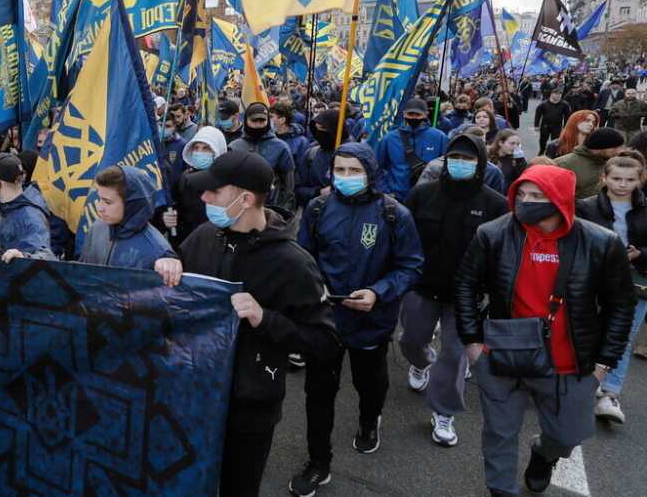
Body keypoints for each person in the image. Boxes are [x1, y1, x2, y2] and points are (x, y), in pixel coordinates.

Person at [156, 149, 337, 497]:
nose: (204, 196)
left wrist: (264, 318)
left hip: (249, 410)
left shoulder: (294, 264)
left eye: (214, 191)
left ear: (246, 198)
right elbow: (174, 271)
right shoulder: (206, 235)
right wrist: (165, 260)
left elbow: (324, 343)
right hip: (196, 396)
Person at [455, 165, 634, 496]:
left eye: (536, 196)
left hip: (570, 366)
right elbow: (466, 285)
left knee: (568, 435)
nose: (525, 202)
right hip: (501, 358)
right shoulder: (492, 234)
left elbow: (621, 306)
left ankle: (544, 454)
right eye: (521, 194)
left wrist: (602, 365)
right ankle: (500, 490)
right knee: (499, 433)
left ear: (561, 199)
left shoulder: (601, 244)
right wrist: (473, 346)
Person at [290, 142, 422, 497]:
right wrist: (312, 295)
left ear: (370, 172)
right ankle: (319, 462)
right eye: (340, 170)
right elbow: (302, 261)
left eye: (354, 170)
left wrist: (378, 292)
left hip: (371, 320)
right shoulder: (317, 209)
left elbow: (411, 266)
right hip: (326, 321)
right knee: (319, 393)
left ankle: (369, 419)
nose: (346, 177)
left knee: (370, 381)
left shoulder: (394, 214)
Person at [400, 134, 506, 448]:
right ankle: (420, 362)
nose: (460, 164)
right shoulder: (422, 195)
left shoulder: (495, 204)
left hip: (467, 295)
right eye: (455, 157)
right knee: (411, 340)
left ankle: (444, 410)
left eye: (468, 159)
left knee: (455, 355)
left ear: (481, 164)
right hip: (422, 286)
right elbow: (404, 238)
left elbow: (499, 252)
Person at [576, 153, 647, 424]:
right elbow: (576, 239)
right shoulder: (587, 207)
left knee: (624, 336)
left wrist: (639, 254)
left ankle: (609, 393)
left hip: (635, 280)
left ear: (640, 180)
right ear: (604, 178)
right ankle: (582, 382)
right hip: (595, 276)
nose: (622, 184)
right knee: (586, 329)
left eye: (630, 179)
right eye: (616, 178)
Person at [78, 165, 174, 269]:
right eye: (100, 199)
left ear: (131, 204)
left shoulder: (156, 251)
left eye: (108, 202)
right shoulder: (97, 227)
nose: (100, 207)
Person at [165, 126, 228, 245]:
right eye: (196, 148)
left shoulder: (227, 179)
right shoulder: (185, 177)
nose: (199, 152)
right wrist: (168, 219)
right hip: (189, 242)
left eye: (206, 148)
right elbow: (177, 207)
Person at [376, 98, 447, 201]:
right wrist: (386, 191)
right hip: (397, 198)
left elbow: (445, 167)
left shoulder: (439, 137)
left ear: (426, 114)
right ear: (404, 114)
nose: (414, 117)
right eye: (410, 114)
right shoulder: (389, 138)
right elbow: (377, 167)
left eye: (418, 115)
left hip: (428, 198)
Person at [230, 102, 296, 211]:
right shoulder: (234, 147)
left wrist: (282, 210)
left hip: (272, 209)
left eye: (262, 121)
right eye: (254, 121)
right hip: (240, 208)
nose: (258, 124)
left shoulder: (281, 147)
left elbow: (289, 185)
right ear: (246, 121)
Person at [556, 127, 626, 200]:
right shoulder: (564, 164)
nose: (619, 151)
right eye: (615, 148)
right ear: (600, 147)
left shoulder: (611, 163)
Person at [296, 109, 341, 210]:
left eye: (324, 129)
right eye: (317, 129)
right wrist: (318, 192)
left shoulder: (354, 155)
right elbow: (298, 189)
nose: (320, 133)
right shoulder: (311, 154)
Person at [271, 100, 310, 169]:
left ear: (282, 120)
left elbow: (302, 170)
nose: (268, 120)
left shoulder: (301, 142)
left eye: (271, 117)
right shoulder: (270, 138)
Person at [534, 90, 572, 156]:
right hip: (545, 125)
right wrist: (536, 125)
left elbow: (567, 116)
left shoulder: (565, 104)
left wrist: (566, 126)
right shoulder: (543, 104)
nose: (558, 96)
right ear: (551, 94)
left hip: (557, 125)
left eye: (560, 94)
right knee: (543, 140)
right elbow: (538, 115)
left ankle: (553, 153)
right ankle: (542, 150)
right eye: (556, 94)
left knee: (555, 141)